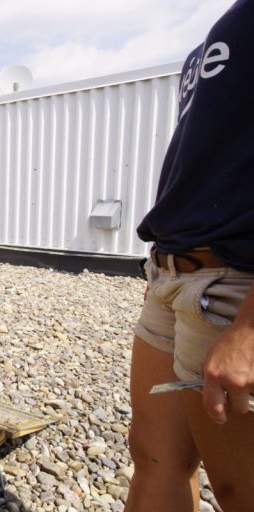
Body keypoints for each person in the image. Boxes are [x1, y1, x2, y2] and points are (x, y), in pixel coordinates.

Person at [126, 1, 254, 510]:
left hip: (236, 284)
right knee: (155, 460)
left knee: (240, 492)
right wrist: (165, 262)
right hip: (173, 275)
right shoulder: (217, 34)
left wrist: (250, 326)